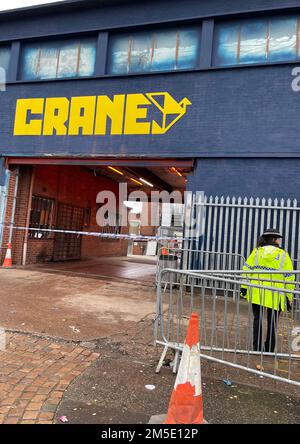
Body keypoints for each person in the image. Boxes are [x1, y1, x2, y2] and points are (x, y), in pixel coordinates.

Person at [241, 228, 295, 354]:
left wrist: (243, 288)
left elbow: (247, 270)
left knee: (257, 319)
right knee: (273, 323)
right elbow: (289, 278)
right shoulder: (283, 255)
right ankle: (269, 349)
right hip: (276, 295)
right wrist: (289, 297)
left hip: (257, 292)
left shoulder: (256, 252)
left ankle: (257, 348)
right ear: (275, 239)